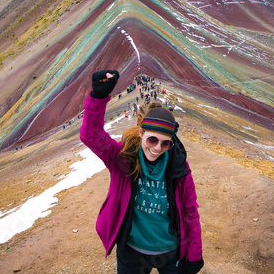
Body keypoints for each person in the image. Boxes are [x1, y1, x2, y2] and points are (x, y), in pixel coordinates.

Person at [80, 70, 204, 274]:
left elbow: (190, 212)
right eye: (152, 140)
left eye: (165, 143)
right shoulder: (122, 158)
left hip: (169, 252)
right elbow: (91, 136)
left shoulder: (179, 168)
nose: (157, 148)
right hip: (131, 253)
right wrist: (99, 98)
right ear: (141, 133)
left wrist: (194, 255)